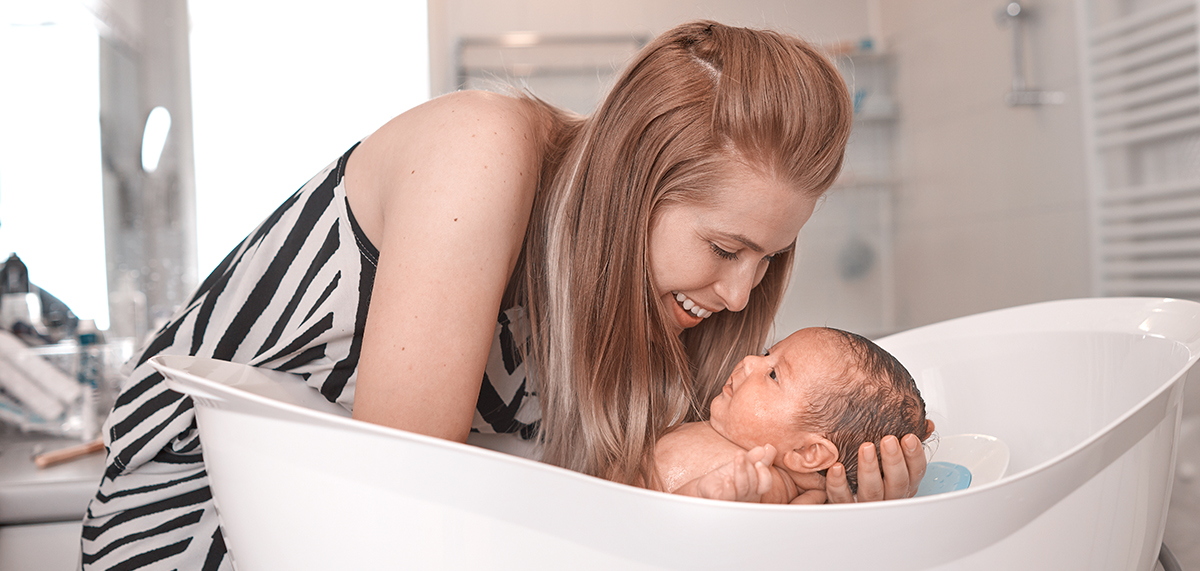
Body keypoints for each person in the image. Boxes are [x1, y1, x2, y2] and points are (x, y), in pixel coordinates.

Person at [82, 21, 929, 570]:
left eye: (767, 258)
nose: (743, 293)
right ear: (634, 184)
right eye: (725, 247)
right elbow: (397, 508)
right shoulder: (478, 154)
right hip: (207, 521)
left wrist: (825, 514)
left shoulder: (650, 295)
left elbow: (632, 505)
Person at [654, 327, 933, 503]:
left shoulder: (766, 484)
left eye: (773, 375)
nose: (750, 362)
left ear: (807, 451)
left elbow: (670, 532)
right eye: (767, 354)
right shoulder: (733, 438)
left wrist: (704, 496)